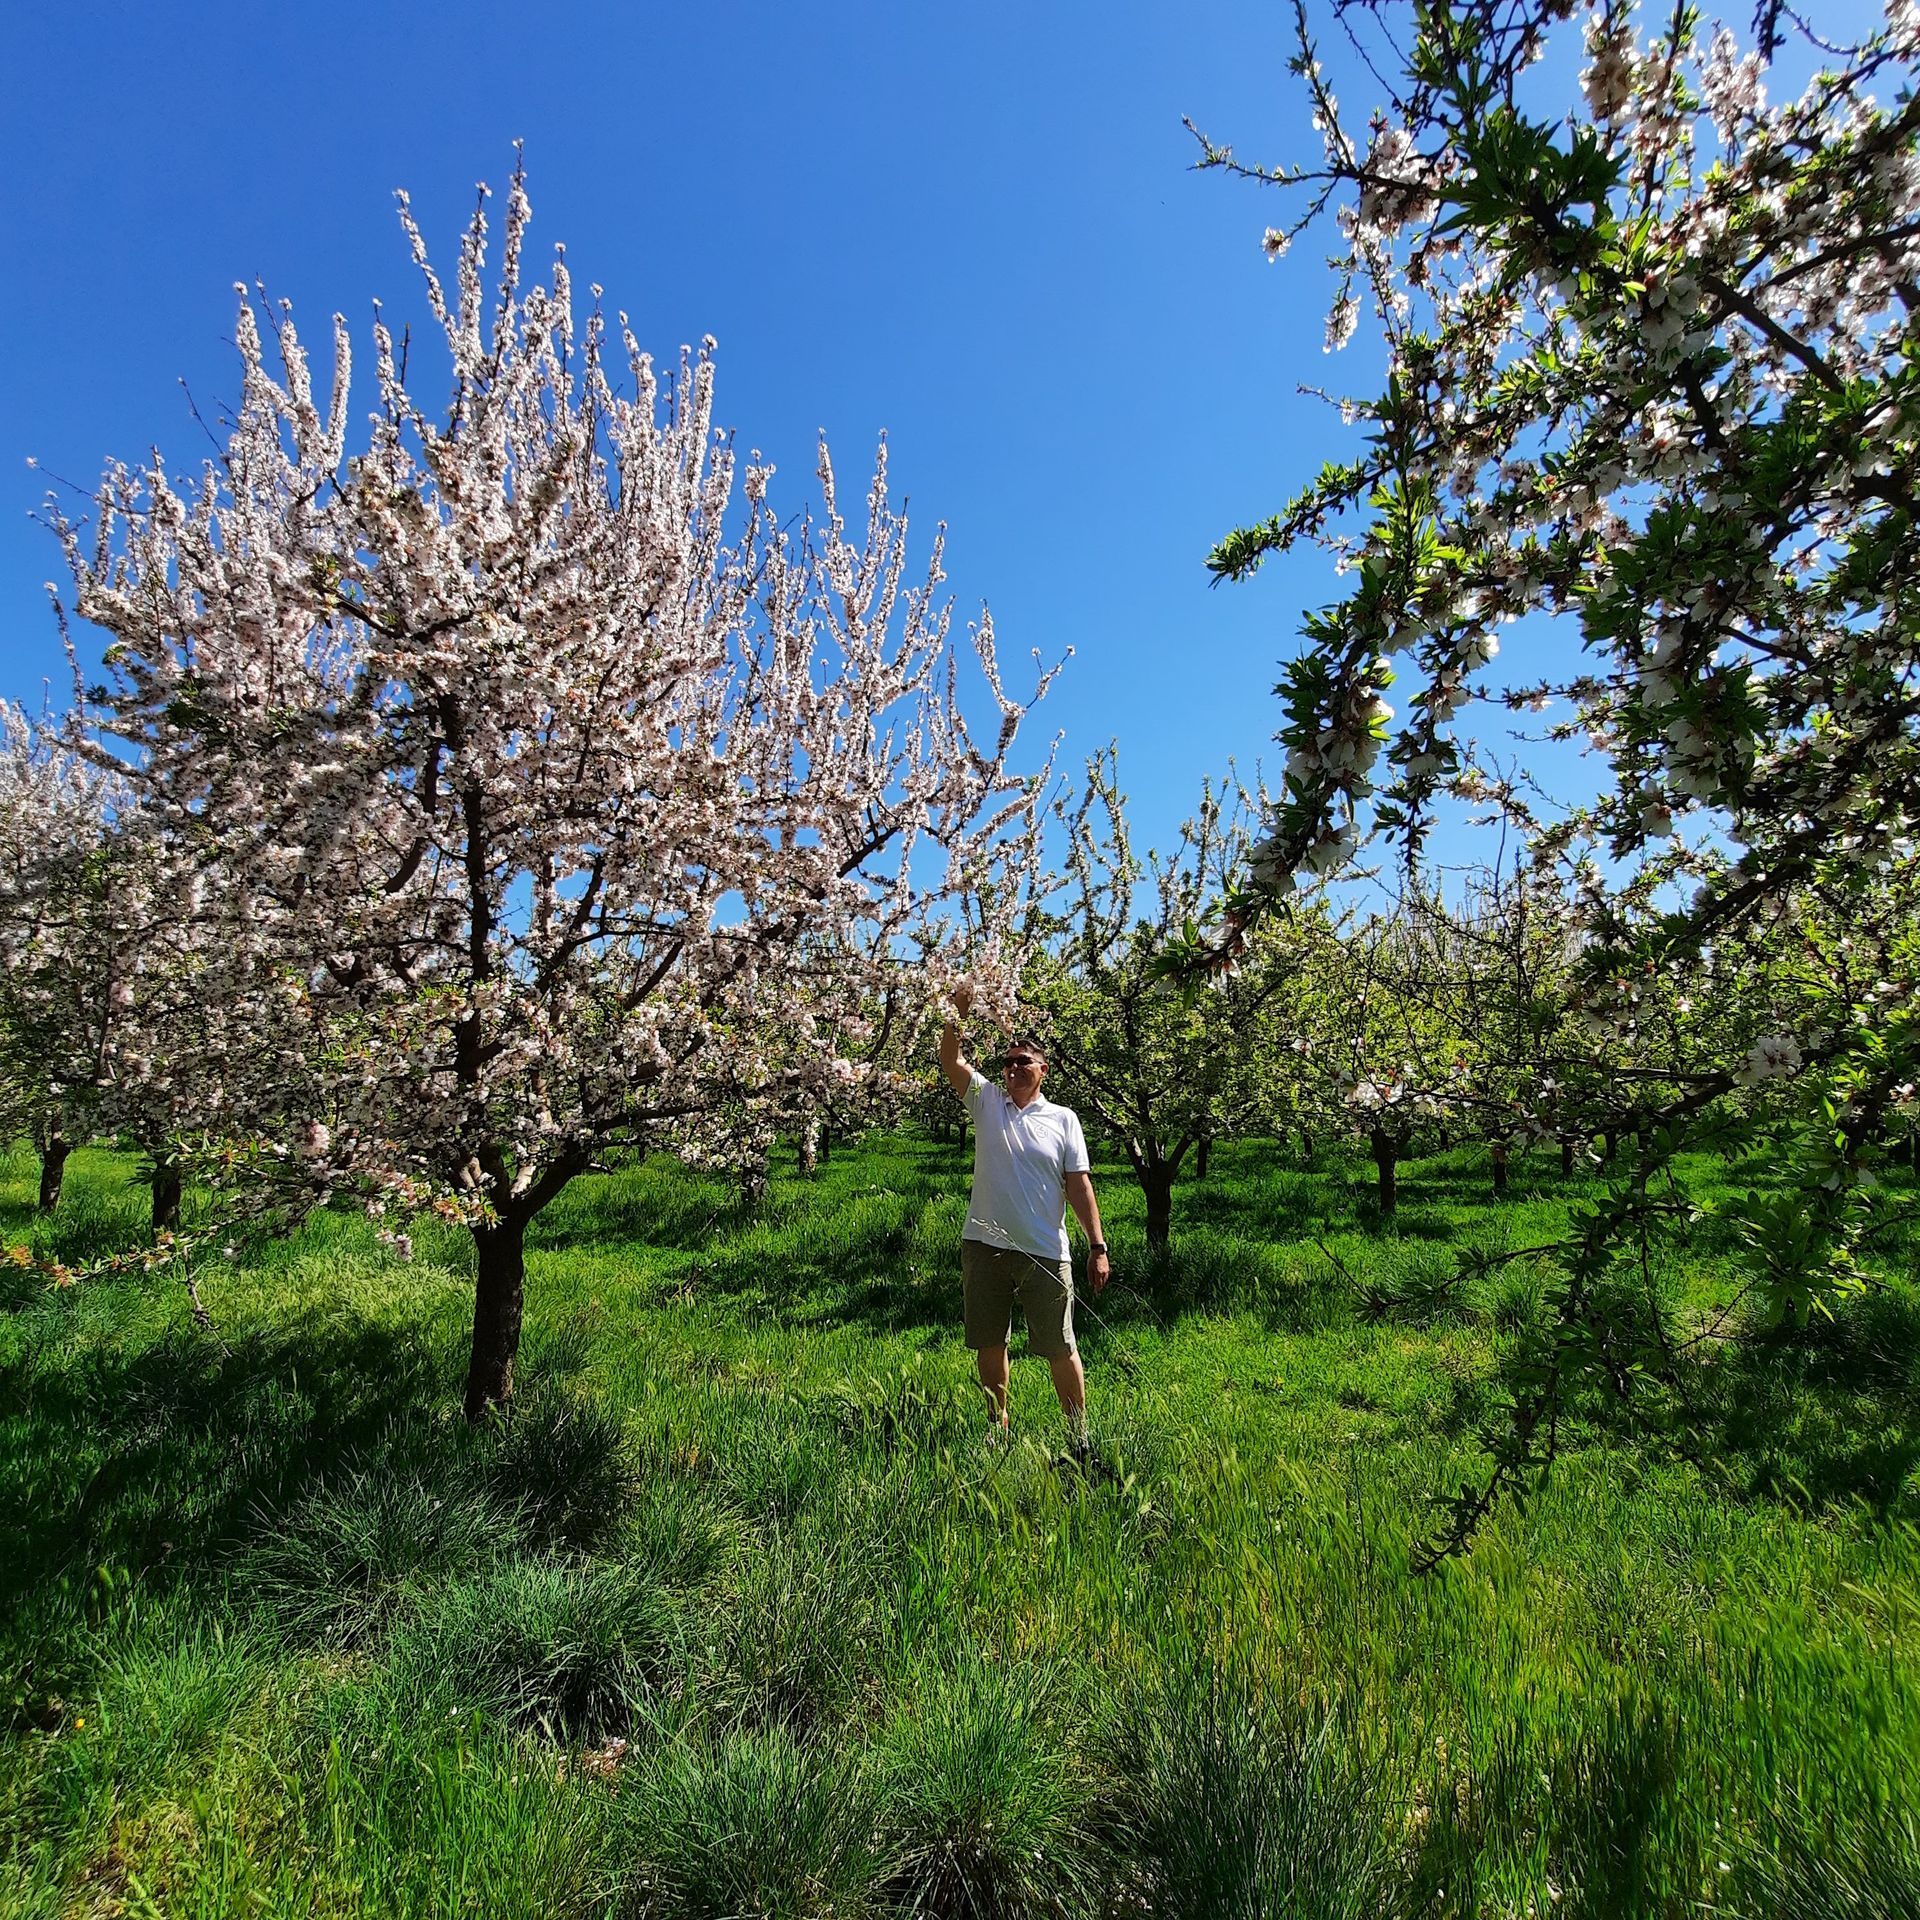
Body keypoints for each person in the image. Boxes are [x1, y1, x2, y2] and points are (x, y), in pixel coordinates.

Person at [938, 979, 1109, 1454]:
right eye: (1008, 1062)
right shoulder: (987, 1100)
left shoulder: (1064, 1119)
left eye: (1023, 1062)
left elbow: (1079, 1185)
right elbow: (950, 1060)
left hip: (1044, 1249)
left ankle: (1078, 1434)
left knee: (1059, 1345)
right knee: (989, 1341)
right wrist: (958, 1011)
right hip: (984, 1244)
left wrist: (1097, 1246)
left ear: (1042, 1070)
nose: (1013, 1068)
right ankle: (998, 1424)